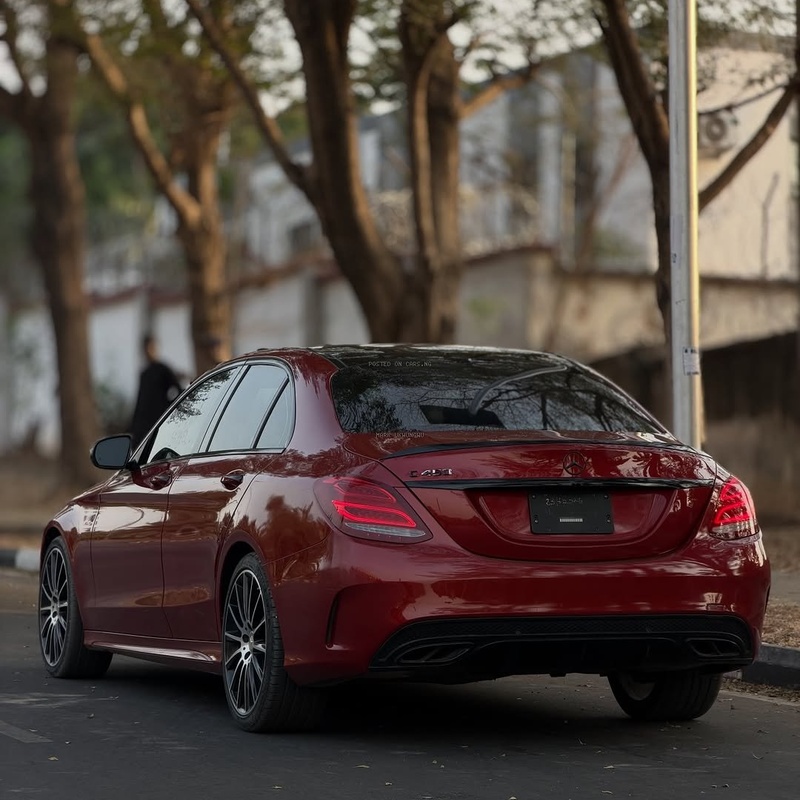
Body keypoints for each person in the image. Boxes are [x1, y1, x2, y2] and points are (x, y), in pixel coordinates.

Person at [129, 334, 183, 448]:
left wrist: (167, 408)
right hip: (143, 425)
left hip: (159, 421)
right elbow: (140, 401)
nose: (149, 352)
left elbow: (178, 390)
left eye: (152, 348)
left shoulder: (163, 369)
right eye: (147, 348)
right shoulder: (144, 374)